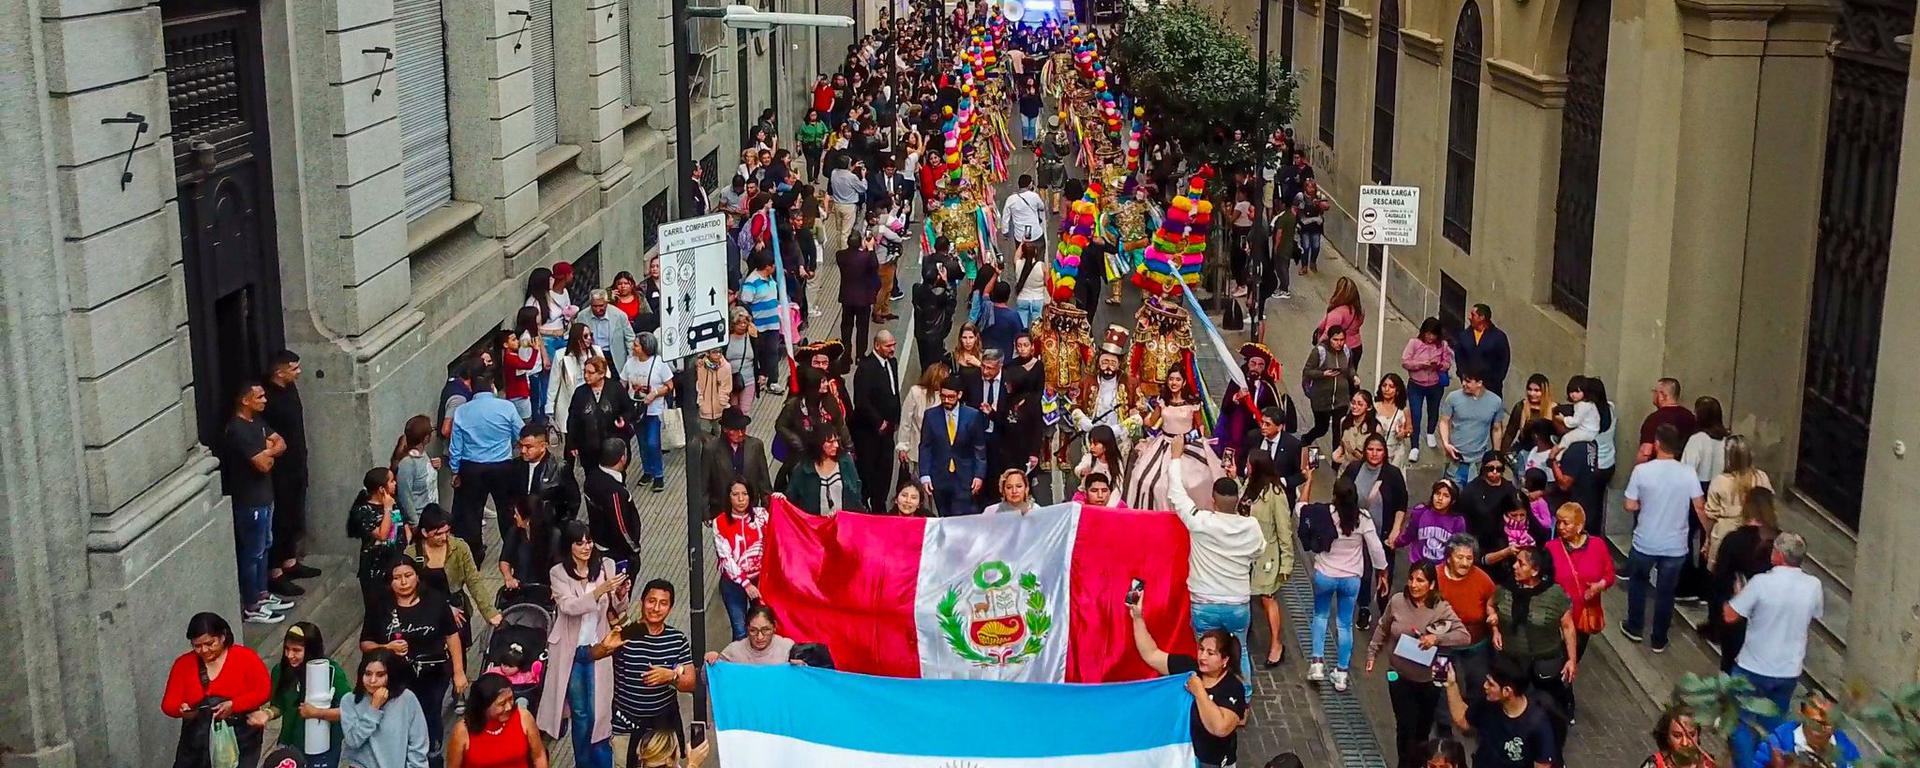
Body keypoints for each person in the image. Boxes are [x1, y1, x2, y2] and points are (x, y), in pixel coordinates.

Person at [1724, 532, 1823, 767]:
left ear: (1778, 555)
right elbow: (1815, 614)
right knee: (1774, 726)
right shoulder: (1813, 585)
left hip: (1753, 666)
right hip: (1787, 670)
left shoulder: (1761, 583)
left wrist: (1738, 595)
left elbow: (1730, 615)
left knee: (1740, 723)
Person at [536, 522, 627, 768]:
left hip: (599, 649)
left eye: (589, 541)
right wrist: (598, 593)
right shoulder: (558, 573)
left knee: (600, 713)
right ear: (570, 546)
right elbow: (568, 607)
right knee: (581, 715)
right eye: (580, 543)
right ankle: (583, 763)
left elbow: (619, 609)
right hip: (571, 652)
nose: (586, 547)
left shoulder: (606, 567)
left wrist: (620, 594)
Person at [1366, 562, 1471, 768]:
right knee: (1405, 727)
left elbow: (1464, 636)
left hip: (1427, 681)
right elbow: (1383, 626)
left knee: (1422, 730)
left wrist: (1436, 638)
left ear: (1431, 584)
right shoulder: (1397, 601)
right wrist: (1372, 652)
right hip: (1398, 675)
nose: (1414, 585)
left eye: (1420, 580)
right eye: (1412, 579)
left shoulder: (1441, 608)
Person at [1127, 599, 1248, 768]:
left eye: (1210, 653)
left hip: (1211, 763)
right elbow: (1151, 654)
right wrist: (1138, 618)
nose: (1202, 657)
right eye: (1201, 649)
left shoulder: (1233, 688)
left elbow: (1220, 728)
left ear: (1225, 660)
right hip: (1181, 757)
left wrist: (1199, 691)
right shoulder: (1187, 667)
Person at [592, 579, 696, 768]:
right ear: (642, 602)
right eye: (651, 601)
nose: (656, 608)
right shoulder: (626, 633)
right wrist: (604, 647)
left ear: (671, 608)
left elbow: (690, 683)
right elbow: (594, 654)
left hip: (663, 732)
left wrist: (671, 677)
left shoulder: (677, 639)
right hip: (626, 728)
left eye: (663, 603)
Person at [1622, 424, 1706, 653]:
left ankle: (1635, 626)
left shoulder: (1642, 471)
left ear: (1657, 444)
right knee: (1666, 592)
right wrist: (1708, 535)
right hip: (1676, 545)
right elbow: (1699, 506)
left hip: (1646, 540)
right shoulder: (1688, 472)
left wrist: (1643, 504)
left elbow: (1629, 504)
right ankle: (1659, 638)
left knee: (1638, 583)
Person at [1301, 478, 1390, 692]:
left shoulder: (1324, 514)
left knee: (1320, 616)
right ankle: (1341, 673)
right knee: (1344, 624)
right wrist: (1383, 572)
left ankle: (1316, 664)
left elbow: (1300, 509)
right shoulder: (1363, 519)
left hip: (1325, 574)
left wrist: (1309, 482)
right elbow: (1376, 549)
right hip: (1351, 579)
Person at [164, 612, 271, 768]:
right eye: (197, 646)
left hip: (241, 738)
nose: (204, 650)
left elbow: (263, 690)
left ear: (222, 637)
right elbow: (168, 704)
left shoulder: (245, 657)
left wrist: (235, 705)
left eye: (210, 643)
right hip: (198, 743)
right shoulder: (184, 664)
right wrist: (183, 710)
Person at [224, 383, 290, 622]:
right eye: (259, 396)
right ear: (245, 400)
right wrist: (268, 452)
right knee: (253, 553)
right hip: (250, 501)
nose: (264, 400)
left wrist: (268, 451)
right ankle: (251, 604)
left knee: (264, 547)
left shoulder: (258, 422)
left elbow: (281, 442)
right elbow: (261, 465)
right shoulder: (238, 429)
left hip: (266, 496)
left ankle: (262, 594)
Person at [1491, 547, 1579, 727]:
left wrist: (1572, 660)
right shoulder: (1505, 588)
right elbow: (1490, 605)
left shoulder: (1554, 594)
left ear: (1535, 570)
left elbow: (1568, 626)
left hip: (1545, 659)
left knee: (1548, 698)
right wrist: (1495, 629)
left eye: (1521, 564)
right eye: (1516, 561)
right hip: (1513, 656)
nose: (1514, 566)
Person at [448, 373, 525, 562]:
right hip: (502, 466)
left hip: (472, 467)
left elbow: (456, 446)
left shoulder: (462, 411)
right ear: (492, 387)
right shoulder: (507, 407)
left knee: (472, 513)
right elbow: (520, 432)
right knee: (506, 510)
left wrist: (455, 470)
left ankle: (475, 553)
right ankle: (511, 550)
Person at [261, 350, 318, 598]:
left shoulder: (290, 389)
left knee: (295, 513)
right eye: (293, 368)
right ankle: (275, 572)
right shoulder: (267, 399)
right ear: (279, 372)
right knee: (280, 519)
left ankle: (290, 561)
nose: (298, 372)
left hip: (297, 462)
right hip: (279, 471)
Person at [254, 622, 349, 768]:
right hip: (291, 742)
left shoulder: (332, 673)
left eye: (296, 650)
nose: (290, 655)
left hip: (324, 745)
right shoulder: (280, 670)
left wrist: (318, 713)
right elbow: (279, 705)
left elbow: (349, 711)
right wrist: (267, 714)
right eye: (287, 649)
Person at [409, 506, 502, 653]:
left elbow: (474, 581)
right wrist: (443, 609)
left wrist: (490, 613)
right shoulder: (412, 554)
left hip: (457, 607)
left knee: (459, 653)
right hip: (426, 611)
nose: (444, 538)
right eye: (438, 534)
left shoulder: (459, 547)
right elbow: (410, 590)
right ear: (425, 532)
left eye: (447, 532)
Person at [1442, 655, 1559, 768]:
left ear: (1507, 691)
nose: (1485, 686)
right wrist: (1451, 685)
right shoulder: (1487, 704)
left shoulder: (1538, 724)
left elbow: (1542, 765)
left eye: (1491, 684)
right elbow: (1463, 721)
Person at [1710, 487, 1780, 673]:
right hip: (1768, 615)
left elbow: (1719, 581)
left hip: (1737, 612)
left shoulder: (1733, 540)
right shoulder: (1779, 542)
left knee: (1730, 665)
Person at [1343, 433, 1410, 622]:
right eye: (1370, 449)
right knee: (1363, 574)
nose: (1374, 454)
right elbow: (1343, 496)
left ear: (1385, 452)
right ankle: (1363, 607)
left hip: (1385, 533)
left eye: (1379, 450)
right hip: (1358, 534)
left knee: (1385, 572)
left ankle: (1383, 610)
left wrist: (1397, 529)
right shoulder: (1354, 469)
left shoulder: (1393, 474)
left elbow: (1401, 504)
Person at [1433, 535, 1498, 720]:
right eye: (1459, 557)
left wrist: (1492, 617)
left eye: (1469, 558)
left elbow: (1494, 603)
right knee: (1441, 682)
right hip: (1443, 643)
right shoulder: (1435, 576)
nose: (1464, 563)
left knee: (1478, 683)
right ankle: (1443, 722)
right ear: (1448, 557)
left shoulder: (1483, 580)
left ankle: (1474, 719)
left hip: (1475, 644)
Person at [1546, 502, 1615, 678]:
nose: (1560, 527)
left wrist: (1599, 586)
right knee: (1555, 662)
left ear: (1579, 526)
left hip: (1583, 616)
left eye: (1566, 523)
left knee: (1573, 659)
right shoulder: (1551, 548)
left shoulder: (1598, 545)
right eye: (1558, 522)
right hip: (1557, 618)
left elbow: (1609, 575)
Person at [338, 650, 431, 768]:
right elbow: (353, 740)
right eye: (368, 674)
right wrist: (373, 709)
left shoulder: (407, 699)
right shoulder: (349, 701)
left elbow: (418, 745)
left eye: (380, 675)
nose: (372, 680)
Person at [1246, 454, 1297, 669]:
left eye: (1248, 464)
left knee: (1268, 598)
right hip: (1246, 552)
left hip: (1268, 555)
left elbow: (1285, 530)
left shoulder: (1276, 494)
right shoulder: (1249, 487)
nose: (1245, 467)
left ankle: (1276, 644)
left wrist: (1286, 562)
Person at [918, 377, 988, 517]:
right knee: (944, 516)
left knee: (961, 517)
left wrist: (979, 475)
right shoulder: (931, 415)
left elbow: (979, 447)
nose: (947, 400)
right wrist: (925, 475)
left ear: (959, 395)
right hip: (939, 476)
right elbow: (925, 446)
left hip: (964, 476)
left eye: (951, 397)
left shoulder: (972, 415)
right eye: (943, 396)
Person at [446, 673, 547, 768]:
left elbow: (539, 756)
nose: (508, 707)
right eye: (502, 704)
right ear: (484, 705)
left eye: (511, 699)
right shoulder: (462, 731)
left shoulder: (524, 717)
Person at [852, 330, 904, 511]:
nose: (892, 349)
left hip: (888, 430)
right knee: (870, 471)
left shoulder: (893, 363)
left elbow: (894, 392)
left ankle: (880, 502)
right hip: (869, 432)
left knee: (886, 469)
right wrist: (878, 421)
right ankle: (870, 504)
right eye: (888, 345)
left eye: (893, 344)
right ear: (877, 345)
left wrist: (896, 418)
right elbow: (861, 401)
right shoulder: (866, 369)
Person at [1704, 435, 1771, 570]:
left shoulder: (1720, 481)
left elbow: (1711, 516)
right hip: (1755, 536)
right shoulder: (1761, 477)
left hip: (1725, 535)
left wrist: (1707, 540)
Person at [714, 479, 769, 640]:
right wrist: (745, 584)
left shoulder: (761, 515)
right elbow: (726, 558)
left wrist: (780, 499)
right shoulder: (720, 521)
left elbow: (781, 527)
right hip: (733, 584)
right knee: (740, 631)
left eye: (744, 494)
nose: (741, 499)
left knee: (762, 628)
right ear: (728, 497)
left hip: (760, 580)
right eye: (735, 494)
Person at [1746, 694, 1861, 768]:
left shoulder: (1847, 750)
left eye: (1826, 724)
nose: (1819, 730)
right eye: (1814, 722)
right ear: (1802, 715)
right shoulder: (1774, 746)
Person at [624, 333, 675, 493]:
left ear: (646, 348)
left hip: (654, 410)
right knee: (642, 443)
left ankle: (658, 474)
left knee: (653, 442)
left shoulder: (659, 364)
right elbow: (623, 382)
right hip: (636, 409)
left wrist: (655, 393)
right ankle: (647, 471)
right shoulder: (630, 362)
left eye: (637, 345)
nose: (633, 347)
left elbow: (670, 385)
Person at [567, 356, 635, 476]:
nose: (586, 376)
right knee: (592, 476)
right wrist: (572, 443)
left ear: (601, 373)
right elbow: (573, 419)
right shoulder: (580, 392)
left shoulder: (615, 388)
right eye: (585, 372)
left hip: (612, 443)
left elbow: (629, 409)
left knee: (615, 476)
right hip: (588, 446)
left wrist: (623, 420)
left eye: (590, 373)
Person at [1438, 368, 1506, 488]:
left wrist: (1496, 455)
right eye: (1464, 380)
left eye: (1468, 381)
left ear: (1479, 383)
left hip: (1479, 460)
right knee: (1452, 493)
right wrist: (1446, 443)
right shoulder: (1453, 398)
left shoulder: (1495, 401)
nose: (1464, 384)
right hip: (1456, 458)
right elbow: (1444, 421)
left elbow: (1497, 429)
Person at [583, 438, 643, 568]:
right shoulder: (614, 492)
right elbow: (621, 525)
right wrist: (633, 548)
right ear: (622, 458)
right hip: (617, 552)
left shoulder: (592, 477)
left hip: (600, 541)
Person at [1402, 318, 1455, 464]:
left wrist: (1439, 365)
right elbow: (1405, 361)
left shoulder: (1442, 346)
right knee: (1416, 414)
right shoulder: (1414, 343)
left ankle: (1431, 431)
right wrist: (1420, 364)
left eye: (1434, 335)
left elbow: (1447, 363)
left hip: (1434, 385)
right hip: (1416, 385)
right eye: (1428, 334)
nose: (1430, 337)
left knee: (1433, 410)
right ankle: (1414, 446)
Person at [1300, 325, 1356, 451]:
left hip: (1341, 399)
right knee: (1321, 428)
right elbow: (1308, 371)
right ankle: (1305, 440)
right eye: (1335, 340)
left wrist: (1354, 376)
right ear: (1329, 339)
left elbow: (1350, 368)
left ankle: (1335, 465)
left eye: (1342, 340)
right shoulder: (1319, 352)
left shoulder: (1347, 352)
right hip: (1322, 399)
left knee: (1338, 431)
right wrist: (1322, 374)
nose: (1339, 343)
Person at [704, 409, 773, 511]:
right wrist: (705, 512)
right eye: (735, 430)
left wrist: (768, 507)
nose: (740, 434)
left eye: (743, 429)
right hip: (721, 509)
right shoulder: (711, 449)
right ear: (725, 429)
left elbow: (764, 480)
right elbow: (703, 483)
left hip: (750, 508)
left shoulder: (756, 446)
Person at [1392, 480, 1469, 570]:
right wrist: (1396, 543)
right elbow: (1409, 534)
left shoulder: (1458, 521)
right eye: (1437, 493)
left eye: (1446, 496)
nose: (1440, 498)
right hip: (1419, 565)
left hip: (1443, 569)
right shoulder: (1420, 512)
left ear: (1452, 501)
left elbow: (1458, 547)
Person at [787, 431, 865, 515]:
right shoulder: (803, 469)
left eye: (836, 441)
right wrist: (780, 500)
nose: (836, 445)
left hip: (845, 523)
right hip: (817, 525)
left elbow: (856, 490)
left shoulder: (845, 461)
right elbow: (791, 497)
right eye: (830, 442)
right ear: (818, 444)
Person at [895, 362, 948, 484]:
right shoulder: (916, 392)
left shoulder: (945, 396)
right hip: (918, 451)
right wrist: (903, 446)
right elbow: (906, 421)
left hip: (940, 453)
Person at [1450, 304, 1511, 398]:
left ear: (1482, 317)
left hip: (1491, 387)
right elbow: (1459, 357)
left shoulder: (1498, 337)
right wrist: (1463, 376)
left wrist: (1496, 379)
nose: (1469, 317)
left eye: (1473, 315)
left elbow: (1504, 360)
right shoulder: (1464, 335)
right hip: (1470, 386)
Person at [835, 231, 881, 357]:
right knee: (862, 328)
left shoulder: (840, 255)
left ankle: (846, 352)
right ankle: (860, 355)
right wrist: (870, 249)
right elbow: (874, 266)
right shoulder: (866, 257)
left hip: (847, 297)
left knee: (846, 326)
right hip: (863, 298)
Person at [392, 415, 441, 527]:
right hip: (420, 520)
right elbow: (405, 496)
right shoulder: (408, 463)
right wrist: (415, 523)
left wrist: (433, 467)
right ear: (425, 438)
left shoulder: (423, 455)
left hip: (431, 516)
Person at [708, 604, 796, 665]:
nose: (760, 637)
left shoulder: (787, 648)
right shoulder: (733, 651)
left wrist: (802, 666)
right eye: (753, 631)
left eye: (766, 630)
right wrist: (710, 662)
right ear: (746, 629)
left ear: (774, 627)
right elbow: (709, 678)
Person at [1318, 277, 1368, 371]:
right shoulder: (1360, 310)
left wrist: (1317, 349)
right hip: (1357, 346)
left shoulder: (1337, 313)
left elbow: (1328, 333)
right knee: (1351, 376)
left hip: (1340, 349)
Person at [1638, 707, 1714, 768]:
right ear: (1667, 738)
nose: (1685, 743)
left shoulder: (1710, 764)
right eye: (1677, 736)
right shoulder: (1654, 765)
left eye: (1691, 735)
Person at [1333, 389, 1381, 476]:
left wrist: (1354, 452)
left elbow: (1375, 457)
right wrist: (1336, 455)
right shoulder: (1344, 421)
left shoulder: (1375, 428)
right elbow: (1342, 446)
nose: (1355, 406)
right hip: (1344, 472)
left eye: (1360, 404)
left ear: (1369, 407)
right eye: (1353, 403)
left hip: (1364, 474)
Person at [1377, 373, 1414, 467]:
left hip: (1396, 454)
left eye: (1391, 386)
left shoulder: (1403, 410)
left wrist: (1404, 433)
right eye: (1384, 386)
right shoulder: (1374, 407)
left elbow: (1410, 430)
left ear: (1397, 390)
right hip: (1376, 452)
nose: (1387, 389)